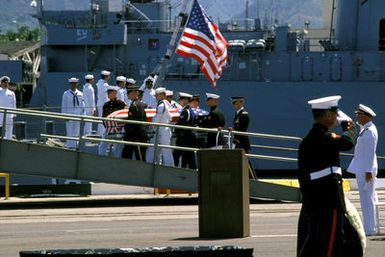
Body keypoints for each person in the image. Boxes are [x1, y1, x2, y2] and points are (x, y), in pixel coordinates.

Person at [297, 95, 363, 257]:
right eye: (335, 113)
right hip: (329, 202)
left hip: (315, 201)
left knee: (316, 242)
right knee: (330, 244)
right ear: (327, 115)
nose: (336, 117)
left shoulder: (307, 140)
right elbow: (347, 142)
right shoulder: (324, 137)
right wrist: (349, 126)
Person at [347, 104, 378, 236]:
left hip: (366, 170)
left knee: (367, 199)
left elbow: (370, 153)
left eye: (358, 115)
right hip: (363, 168)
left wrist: (368, 172)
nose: (356, 117)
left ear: (365, 116)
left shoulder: (369, 131)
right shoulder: (366, 129)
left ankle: (369, 228)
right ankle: (370, 226)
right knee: (367, 198)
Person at [146, 87, 174, 166]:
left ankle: (169, 166)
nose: (155, 97)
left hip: (162, 129)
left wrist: (151, 126)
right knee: (153, 147)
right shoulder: (165, 103)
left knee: (165, 149)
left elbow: (157, 118)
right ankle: (151, 163)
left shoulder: (161, 105)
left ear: (162, 95)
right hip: (161, 129)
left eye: (157, 95)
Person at [98, 86, 127, 156]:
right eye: (108, 93)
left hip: (118, 129)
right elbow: (104, 117)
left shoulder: (121, 104)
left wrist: (119, 126)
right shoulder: (106, 105)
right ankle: (101, 157)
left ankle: (117, 159)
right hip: (108, 129)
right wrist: (108, 126)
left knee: (117, 147)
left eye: (109, 93)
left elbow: (125, 115)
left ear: (115, 93)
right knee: (102, 145)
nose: (108, 94)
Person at [121, 85, 148, 161]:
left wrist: (125, 129)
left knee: (140, 159)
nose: (127, 95)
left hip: (136, 137)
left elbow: (133, 123)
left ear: (133, 93)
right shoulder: (138, 104)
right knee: (127, 155)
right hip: (135, 136)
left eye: (128, 93)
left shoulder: (135, 105)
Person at [174, 92, 197, 168]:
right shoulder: (190, 111)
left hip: (184, 139)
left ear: (186, 101)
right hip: (189, 139)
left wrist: (175, 129)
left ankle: (174, 171)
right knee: (190, 159)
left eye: (181, 100)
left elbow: (181, 124)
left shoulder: (185, 111)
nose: (179, 102)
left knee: (176, 156)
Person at [61, 77, 85, 149]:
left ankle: (76, 144)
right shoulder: (66, 94)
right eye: (72, 83)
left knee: (77, 131)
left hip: (77, 115)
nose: (73, 85)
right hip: (69, 115)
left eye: (75, 83)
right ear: (70, 84)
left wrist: (83, 115)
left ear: (77, 84)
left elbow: (82, 105)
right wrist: (64, 116)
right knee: (70, 130)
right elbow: (64, 105)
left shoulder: (80, 93)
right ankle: (70, 145)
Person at [96, 70, 110, 135]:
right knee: (104, 120)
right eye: (108, 76)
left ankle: (100, 133)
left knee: (100, 120)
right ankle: (102, 134)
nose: (109, 77)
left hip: (99, 103)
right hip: (104, 104)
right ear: (106, 77)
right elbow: (106, 96)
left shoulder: (99, 83)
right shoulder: (105, 85)